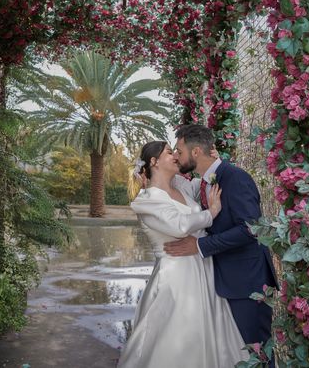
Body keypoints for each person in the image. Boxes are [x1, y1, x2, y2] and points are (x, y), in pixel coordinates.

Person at [117, 141, 248, 368]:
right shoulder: (147, 200)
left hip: (204, 272)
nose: (176, 156)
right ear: (154, 162)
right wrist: (211, 213)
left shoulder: (182, 188)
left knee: (212, 339)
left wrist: (213, 161)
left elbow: (210, 180)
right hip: (176, 280)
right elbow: (179, 225)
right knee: (179, 341)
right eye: (170, 152)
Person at [165, 124, 278, 365]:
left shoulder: (235, 178)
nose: (177, 155)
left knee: (257, 352)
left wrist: (200, 246)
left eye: (179, 150)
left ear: (196, 152)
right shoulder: (205, 183)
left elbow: (251, 229)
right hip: (226, 280)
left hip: (248, 282)